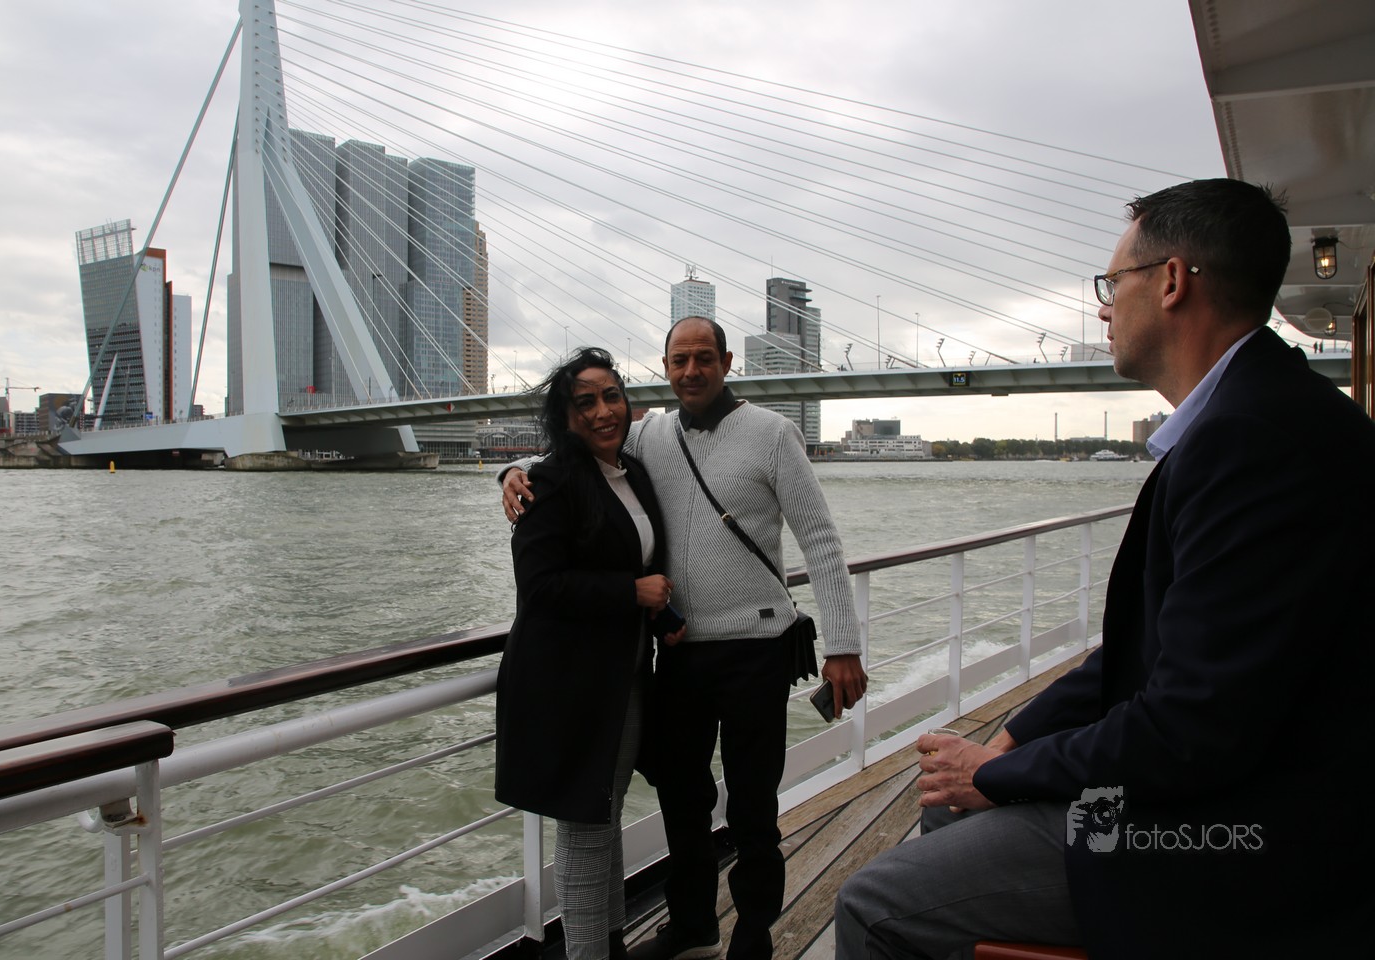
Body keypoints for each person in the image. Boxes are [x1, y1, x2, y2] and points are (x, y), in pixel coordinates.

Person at [834, 178, 1374, 958]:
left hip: (1245, 841)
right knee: (948, 805)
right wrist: (1014, 738)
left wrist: (1000, 774)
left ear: (1172, 281)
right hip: (1244, 795)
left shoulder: (1254, 442)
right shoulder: (1261, 415)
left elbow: (1191, 728)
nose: (1102, 309)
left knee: (873, 903)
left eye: (1112, 283)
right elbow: (1143, 652)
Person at [503, 316, 869, 960]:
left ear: (726, 362)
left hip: (757, 648)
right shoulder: (650, 434)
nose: (691, 371)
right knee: (682, 800)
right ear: (666, 367)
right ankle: (694, 924)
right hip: (680, 654)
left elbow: (820, 540)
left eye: (704, 358)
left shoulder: (772, 434)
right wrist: (509, 471)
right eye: (679, 360)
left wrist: (842, 645)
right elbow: (572, 451)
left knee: (753, 806)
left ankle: (753, 937)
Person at [494, 347, 675, 960]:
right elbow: (539, 587)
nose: (603, 411)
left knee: (605, 813)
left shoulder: (631, 472)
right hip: (568, 684)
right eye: (586, 402)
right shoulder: (549, 482)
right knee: (584, 826)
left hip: (623, 677)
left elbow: (638, 556)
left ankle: (609, 941)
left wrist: (661, 613)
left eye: (612, 396)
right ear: (565, 416)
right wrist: (630, 592)